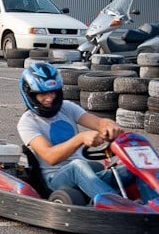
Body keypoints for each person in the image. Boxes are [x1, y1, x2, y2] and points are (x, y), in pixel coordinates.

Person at [16, 61, 132, 200]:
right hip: (55, 179)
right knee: (77, 166)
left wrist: (110, 126)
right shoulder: (27, 122)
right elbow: (50, 156)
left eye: (53, 92)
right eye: (43, 94)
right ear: (30, 95)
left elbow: (98, 122)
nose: (50, 98)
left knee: (133, 166)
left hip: (85, 174)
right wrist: (80, 138)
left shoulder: (67, 108)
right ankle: (114, 203)